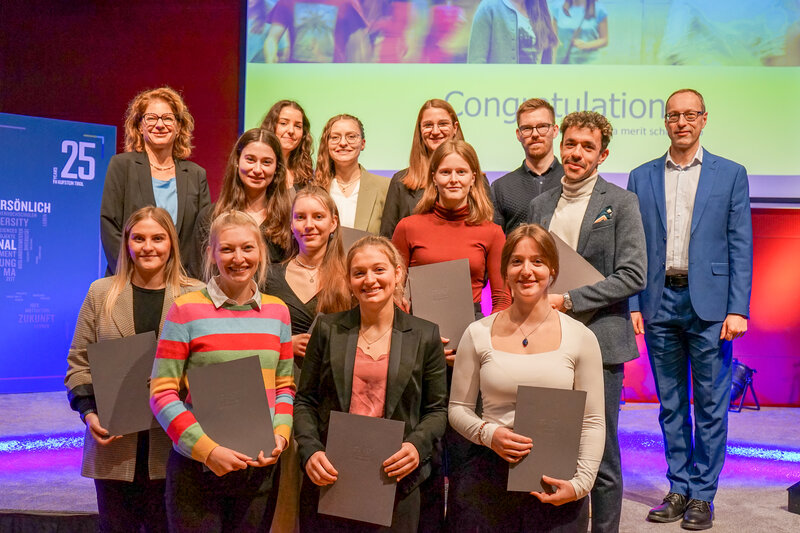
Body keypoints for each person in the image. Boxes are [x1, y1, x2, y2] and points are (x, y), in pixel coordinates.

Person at [628, 89, 752, 530]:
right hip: (658, 301)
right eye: (672, 116)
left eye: (689, 115)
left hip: (712, 307)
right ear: (665, 122)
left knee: (712, 405)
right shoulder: (641, 176)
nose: (681, 122)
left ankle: (703, 494)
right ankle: (678, 487)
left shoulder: (731, 173)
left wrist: (738, 308)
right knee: (671, 405)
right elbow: (634, 246)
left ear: (703, 119)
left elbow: (740, 242)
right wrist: (633, 303)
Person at [528, 110, 646, 533]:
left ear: (603, 154)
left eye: (587, 147)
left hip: (600, 341)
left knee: (602, 451)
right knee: (551, 440)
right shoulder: (540, 204)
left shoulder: (621, 202)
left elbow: (633, 275)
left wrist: (570, 300)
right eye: (571, 144)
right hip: (547, 339)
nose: (577, 153)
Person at [448, 223, 605, 531]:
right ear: (505, 271)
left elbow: (592, 420)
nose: (527, 271)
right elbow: (457, 409)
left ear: (553, 271)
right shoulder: (477, 333)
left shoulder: (581, 337)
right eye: (516, 261)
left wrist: (581, 484)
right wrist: (488, 434)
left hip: (557, 477)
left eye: (538, 261)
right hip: (490, 474)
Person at [150, 210, 295, 532]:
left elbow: (285, 386)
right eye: (227, 249)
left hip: (259, 467)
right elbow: (162, 393)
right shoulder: (186, 309)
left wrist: (280, 437)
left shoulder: (277, 312)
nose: (238, 258)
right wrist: (207, 451)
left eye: (247, 248)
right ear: (211, 254)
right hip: (197, 471)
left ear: (261, 252)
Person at [293, 235, 448, 531]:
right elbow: (305, 401)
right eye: (359, 272)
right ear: (349, 280)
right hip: (332, 475)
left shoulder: (426, 335)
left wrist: (416, 447)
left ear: (398, 273)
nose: (370, 280)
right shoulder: (327, 329)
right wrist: (310, 450)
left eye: (379, 269)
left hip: (396, 480)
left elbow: (437, 410)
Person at [65, 206, 203, 533]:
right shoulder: (101, 293)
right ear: (126, 242)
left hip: (173, 447)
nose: (148, 247)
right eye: (138, 238)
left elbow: (206, 362)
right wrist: (90, 414)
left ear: (172, 243)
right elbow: (78, 364)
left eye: (158, 238)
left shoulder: (196, 294)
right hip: (114, 446)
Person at [263, 186, 352, 532]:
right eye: (300, 217)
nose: (309, 225)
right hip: (284, 388)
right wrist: (285, 343)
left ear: (334, 223)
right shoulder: (269, 276)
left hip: (335, 394)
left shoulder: (350, 275)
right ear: (290, 224)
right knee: (285, 486)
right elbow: (253, 335)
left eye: (318, 216)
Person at [100, 86, 210, 279]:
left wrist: (189, 281)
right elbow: (110, 225)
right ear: (140, 126)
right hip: (128, 279)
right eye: (151, 118)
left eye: (167, 118)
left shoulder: (196, 174)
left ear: (178, 127)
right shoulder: (122, 166)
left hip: (180, 284)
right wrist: (131, 273)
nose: (160, 125)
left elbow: (202, 236)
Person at [392, 139, 511, 317]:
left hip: (471, 330)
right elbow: (394, 291)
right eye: (445, 172)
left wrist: (488, 332)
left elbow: (502, 299)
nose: (453, 179)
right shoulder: (407, 228)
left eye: (461, 172)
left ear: (473, 178)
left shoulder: (492, 232)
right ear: (434, 177)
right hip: (418, 329)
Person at [195, 129, 293, 270]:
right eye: (250, 160)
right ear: (237, 161)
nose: (258, 169)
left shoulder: (289, 220)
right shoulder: (210, 217)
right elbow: (197, 274)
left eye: (266, 162)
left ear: (277, 168)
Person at [379, 99, 464, 238]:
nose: (435, 131)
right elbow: (387, 239)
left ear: (455, 128)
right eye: (428, 125)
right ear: (420, 130)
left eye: (443, 124)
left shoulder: (476, 179)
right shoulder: (400, 181)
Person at [491, 97, 564, 235]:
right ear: (518, 135)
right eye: (527, 128)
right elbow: (496, 244)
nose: (535, 134)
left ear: (554, 131)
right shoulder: (501, 187)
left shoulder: (571, 182)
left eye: (542, 126)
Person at [314, 114, 390, 234]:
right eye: (335, 137)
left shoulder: (385, 187)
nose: (343, 143)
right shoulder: (314, 188)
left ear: (363, 143)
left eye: (351, 136)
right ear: (327, 144)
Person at [264, 0, 370, 62]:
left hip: (335, 75)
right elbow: (272, 38)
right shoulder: (287, 2)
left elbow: (358, 45)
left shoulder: (347, 2)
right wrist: (270, 61)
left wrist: (356, 75)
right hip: (297, 74)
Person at [467, 0, 558, 63]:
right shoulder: (488, 8)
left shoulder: (542, 9)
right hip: (500, 88)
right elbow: (476, 61)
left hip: (534, 88)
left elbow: (547, 63)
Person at [260, 100, 314, 188]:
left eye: (297, 126)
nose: (291, 131)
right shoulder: (258, 169)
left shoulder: (306, 174)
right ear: (271, 126)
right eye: (283, 123)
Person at [552, 0, 609, 64]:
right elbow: (553, 40)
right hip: (562, 62)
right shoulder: (557, 7)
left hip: (589, 63)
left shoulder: (598, 8)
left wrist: (587, 45)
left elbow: (604, 40)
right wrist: (552, 63)